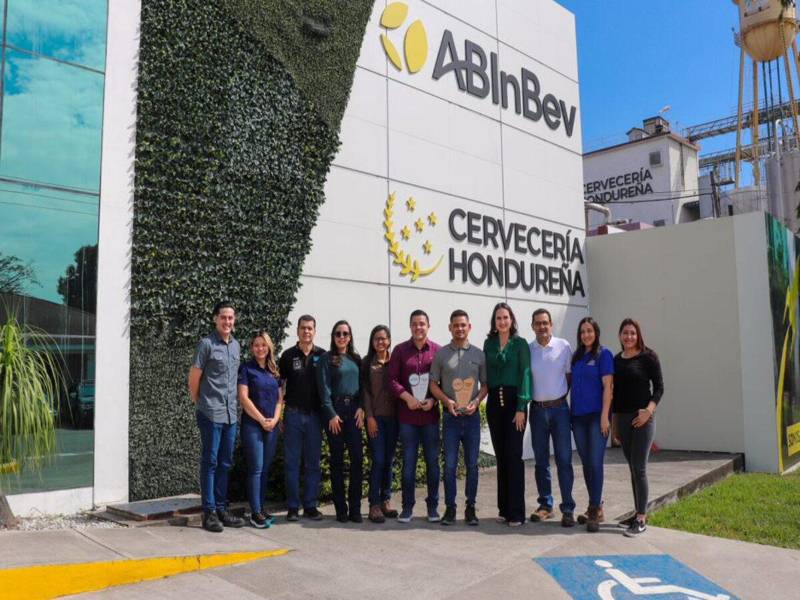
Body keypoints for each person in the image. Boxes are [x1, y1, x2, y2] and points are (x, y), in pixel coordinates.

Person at [188, 300, 245, 532]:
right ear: (215, 319)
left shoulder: (236, 346)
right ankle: (209, 512)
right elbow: (194, 379)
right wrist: (200, 402)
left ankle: (221, 508)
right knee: (210, 462)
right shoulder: (206, 345)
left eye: (231, 318)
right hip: (211, 413)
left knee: (225, 462)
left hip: (231, 415)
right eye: (223, 317)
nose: (227, 322)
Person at [430, 309, 488, 526]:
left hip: (472, 418)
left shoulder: (479, 354)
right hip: (451, 418)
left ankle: (470, 508)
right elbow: (432, 384)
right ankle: (450, 509)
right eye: (456, 325)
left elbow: (485, 385)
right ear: (450, 327)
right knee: (450, 466)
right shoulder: (442, 354)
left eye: (463, 325)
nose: (460, 328)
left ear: (469, 327)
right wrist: (447, 401)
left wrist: (477, 401)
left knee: (472, 465)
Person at [387, 309, 442, 523]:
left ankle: (433, 507)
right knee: (408, 463)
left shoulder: (438, 351)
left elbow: (443, 382)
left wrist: (434, 400)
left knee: (432, 463)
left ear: (428, 326)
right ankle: (407, 507)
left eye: (422, 323)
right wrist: (406, 397)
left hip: (430, 417)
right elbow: (391, 380)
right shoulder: (400, 351)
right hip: (407, 418)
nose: (418, 327)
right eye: (415, 324)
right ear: (410, 327)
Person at [613, 318, 663, 537]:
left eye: (632, 333)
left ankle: (642, 518)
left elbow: (659, 388)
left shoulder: (649, 356)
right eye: (625, 333)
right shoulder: (617, 360)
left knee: (640, 468)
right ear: (620, 336)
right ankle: (637, 513)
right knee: (632, 468)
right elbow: (615, 396)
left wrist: (648, 411)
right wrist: (614, 425)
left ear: (638, 335)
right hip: (623, 420)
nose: (629, 337)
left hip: (643, 419)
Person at [483, 302, 531, 527]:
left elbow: (525, 373)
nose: (502, 321)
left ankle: (517, 512)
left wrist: (522, 407)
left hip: (514, 403)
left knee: (514, 457)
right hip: (494, 402)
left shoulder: (520, 344)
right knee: (501, 456)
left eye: (505, 317)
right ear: (494, 322)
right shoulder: (489, 343)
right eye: (498, 318)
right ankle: (503, 508)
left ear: (512, 320)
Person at [529, 308, 576, 527]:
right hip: (537, 411)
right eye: (538, 323)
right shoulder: (528, 350)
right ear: (532, 326)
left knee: (564, 460)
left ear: (551, 325)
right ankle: (545, 505)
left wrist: (557, 398)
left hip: (560, 411)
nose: (542, 326)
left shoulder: (564, 346)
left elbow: (569, 377)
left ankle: (568, 508)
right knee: (541, 461)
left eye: (545, 323)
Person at [278, 315, 325, 522]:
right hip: (293, 416)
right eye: (303, 328)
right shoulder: (287, 356)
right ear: (297, 331)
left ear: (315, 331)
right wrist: (279, 415)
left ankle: (310, 506)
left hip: (315, 417)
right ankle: (293, 507)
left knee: (313, 464)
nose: (307, 331)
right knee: (292, 463)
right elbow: (279, 387)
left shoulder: (323, 356)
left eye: (310, 328)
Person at [317, 320, 365, 523]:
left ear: (350, 336)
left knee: (357, 460)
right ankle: (341, 510)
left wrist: (362, 407)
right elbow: (323, 389)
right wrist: (330, 414)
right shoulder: (326, 359)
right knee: (337, 462)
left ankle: (355, 509)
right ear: (333, 336)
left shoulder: (356, 358)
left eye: (345, 333)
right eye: (338, 333)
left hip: (354, 410)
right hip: (335, 413)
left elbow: (364, 386)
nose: (342, 337)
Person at [569, 317, 613, 533]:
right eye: (582, 331)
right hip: (578, 417)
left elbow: (608, 386)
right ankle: (596, 506)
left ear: (596, 332)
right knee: (587, 463)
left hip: (597, 417)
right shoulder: (577, 357)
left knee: (595, 462)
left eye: (589, 331)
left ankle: (594, 508)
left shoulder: (604, 355)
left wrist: (605, 416)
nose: (586, 335)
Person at [238, 330, 283, 528]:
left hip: (272, 426)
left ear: (269, 347)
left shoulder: (275, 370)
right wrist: (261, 419)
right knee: (256, 468)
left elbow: (281, 398)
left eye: (263, 345)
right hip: (253, 426)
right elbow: (243, 398)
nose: (260, 348)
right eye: (256, 345)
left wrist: (274, 419)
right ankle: (254, 513)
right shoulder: (246, 369)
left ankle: (261, 508)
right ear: (252, 348)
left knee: (265, 468)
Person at [362, 325, 399, 524]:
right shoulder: (368, 363)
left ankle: (385, 501)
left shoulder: (395, 361)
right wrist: (369, 417)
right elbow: (366, 393)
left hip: (393, 420)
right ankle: (374, 505)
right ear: (372, 342)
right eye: (377, 339)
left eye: (384, 338)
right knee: (378, 460)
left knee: (389, 460)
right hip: (376, 420)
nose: (381, 342)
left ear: (389, 340)